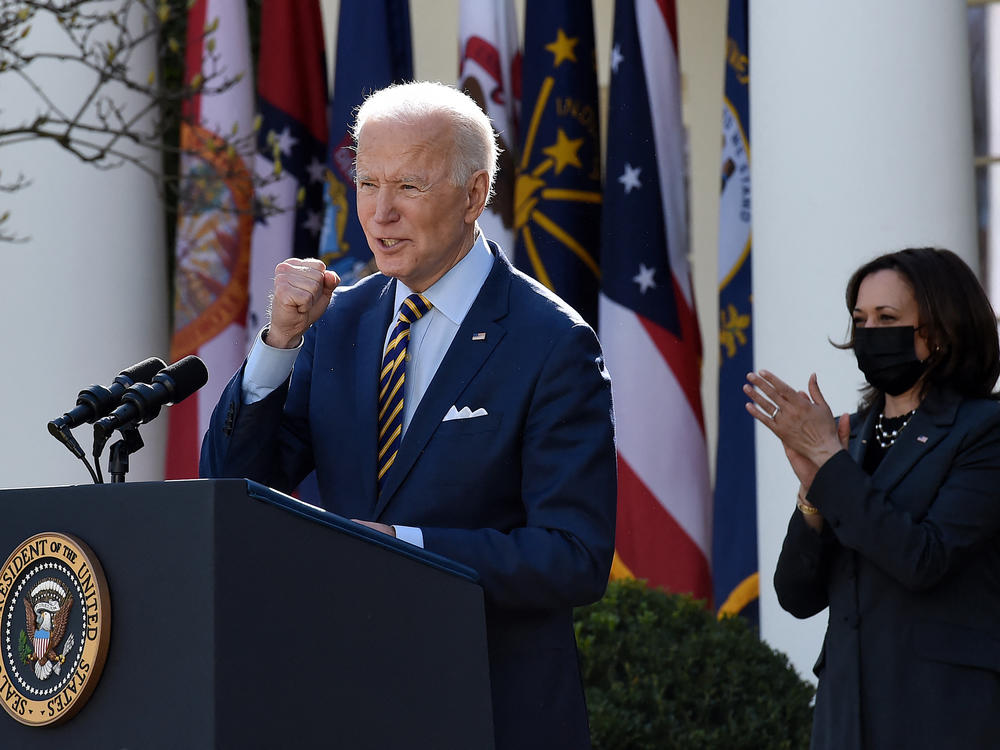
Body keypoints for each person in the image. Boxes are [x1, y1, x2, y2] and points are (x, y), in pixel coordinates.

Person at [200, 81, 617, 749]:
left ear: (475, 195)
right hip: (349, 706)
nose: (381, 213)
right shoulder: (338, 325)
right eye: (368, 184)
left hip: (491, 714)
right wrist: (278, 343)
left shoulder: (552, 343)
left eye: (410, 188)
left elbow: (573, 557)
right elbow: (232, 484)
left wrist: (403, 549)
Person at [745, 247, 1000, 749]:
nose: (869, 333)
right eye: (860, 319)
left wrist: (829, 464)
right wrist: (812, 497)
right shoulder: (851, 435)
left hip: (943, 713)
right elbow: (796, 597)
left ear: (943, 330)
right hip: (846, 714)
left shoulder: (984, 431)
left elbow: (922, 559)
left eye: (888, 318)